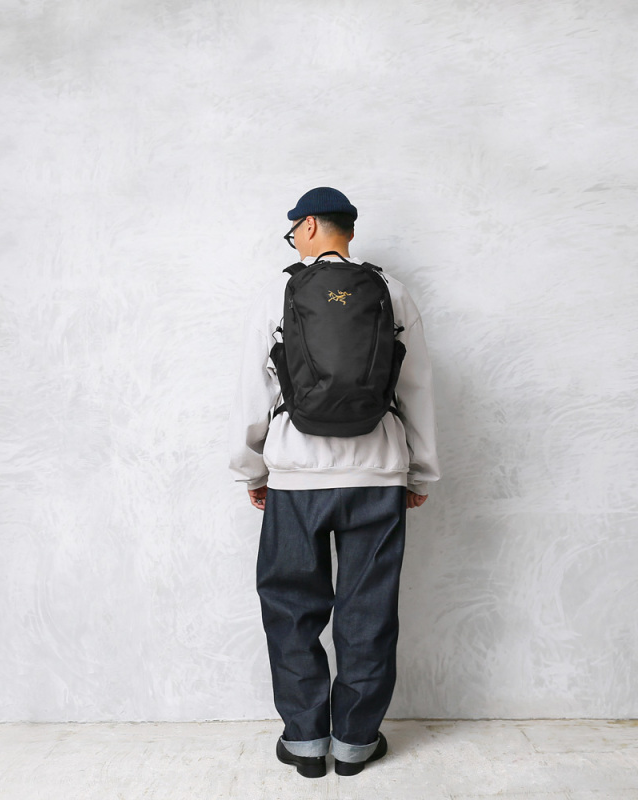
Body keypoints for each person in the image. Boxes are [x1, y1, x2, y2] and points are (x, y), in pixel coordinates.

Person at [228, 186, 441, 778]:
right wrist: (420, 469)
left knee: (291, 608)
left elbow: (252, 389)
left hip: (296, 479)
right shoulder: (392, 290)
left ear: (310, 225)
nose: (293, 239)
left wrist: (252, 468)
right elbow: (418, 387)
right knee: (367, 609)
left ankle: (304, 743)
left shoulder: (279, 291)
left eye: (294, 230)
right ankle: (354, 743)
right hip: (377, 474)